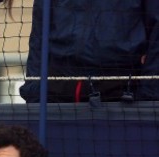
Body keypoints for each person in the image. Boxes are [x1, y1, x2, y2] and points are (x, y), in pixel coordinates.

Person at [20, 0, 159, 103]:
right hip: (58, 93)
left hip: (121, 92)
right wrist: (33, 91)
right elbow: (38, 37)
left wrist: (148, 95)